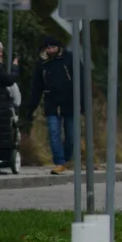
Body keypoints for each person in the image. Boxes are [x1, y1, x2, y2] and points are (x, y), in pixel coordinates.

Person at [24, 36, 75, 175]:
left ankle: (66, 158)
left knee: (71, 136)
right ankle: (59, 162)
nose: (51, 50)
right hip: (51, 102)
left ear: (59, 47)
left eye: (53, 47)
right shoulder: (42, 64)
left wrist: (81, 103)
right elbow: (37, 88)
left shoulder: (70, 59)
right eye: (48, 48)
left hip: (70, 102)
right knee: (54, 133)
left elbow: (81, 81)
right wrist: (31, 107)